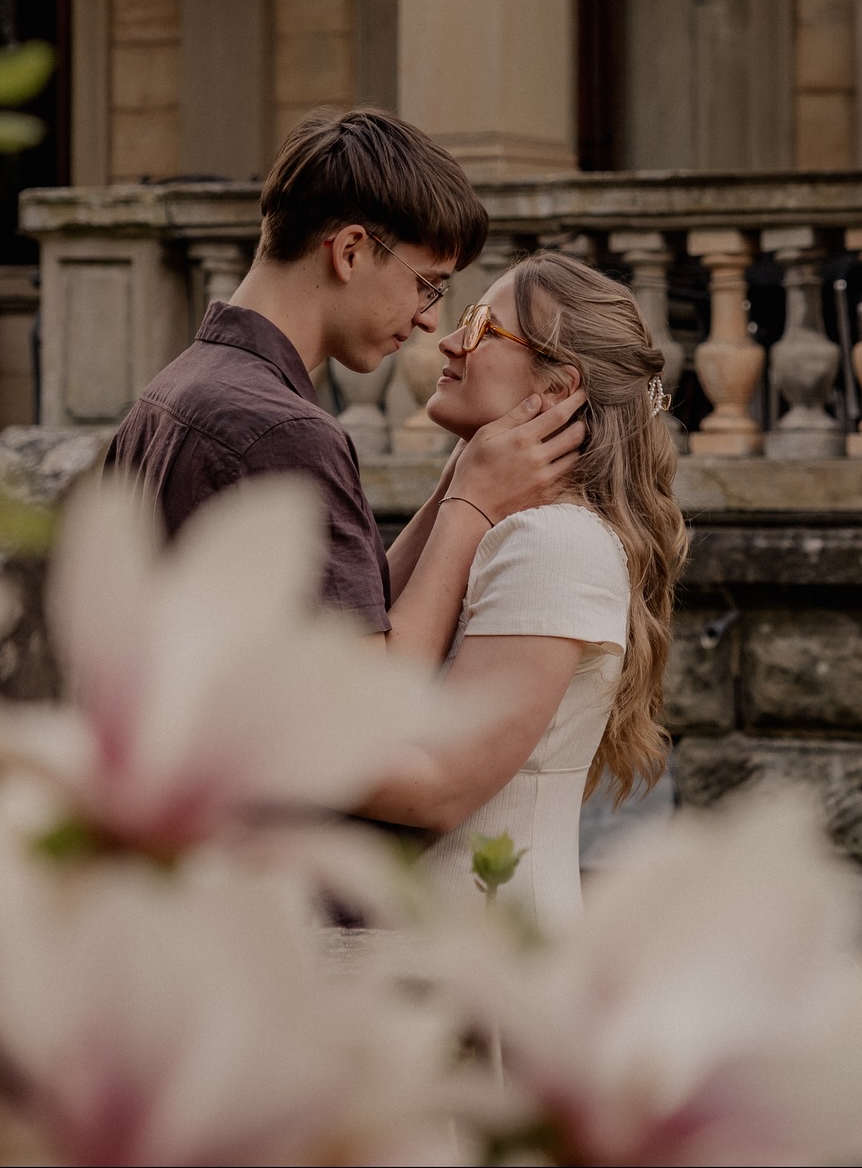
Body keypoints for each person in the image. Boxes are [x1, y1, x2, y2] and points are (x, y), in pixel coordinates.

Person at [107, 109, 588, 661]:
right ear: (351, 251)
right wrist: (470, 507)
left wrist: (453, 486)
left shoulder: (166, 394)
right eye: (428, 285)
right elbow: (368, 695)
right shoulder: (284, 432)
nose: (432, 320)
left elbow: (354, 610)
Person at [361, 252, 688, 932]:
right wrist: (463, 484)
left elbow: (441, 788)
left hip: (489, 953)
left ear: (558, 387)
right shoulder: (516, 528)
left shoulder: (552, 543)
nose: (449, 339)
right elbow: (365, 640)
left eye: (483, 325)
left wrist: (267, 750)